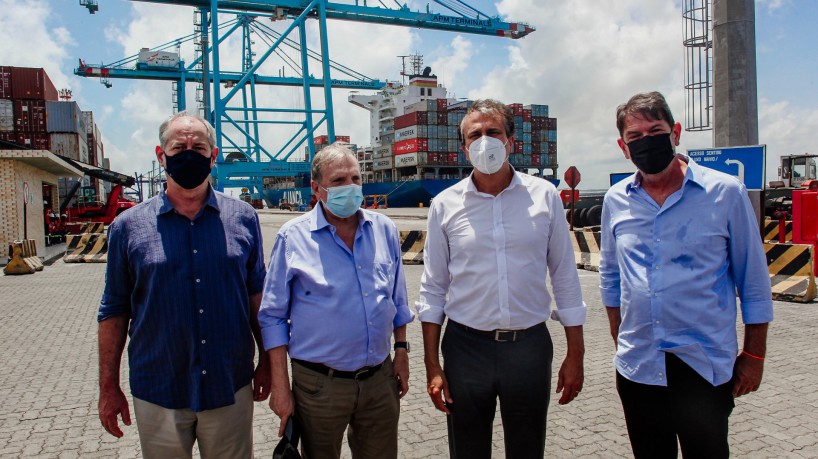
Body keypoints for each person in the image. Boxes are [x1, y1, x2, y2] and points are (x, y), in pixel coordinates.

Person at [599, 91, 774, 458]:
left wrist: (754, 357)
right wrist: (622, 338)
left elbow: (754, 283)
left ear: (675, 131)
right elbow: (611, 279)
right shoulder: (616, 200)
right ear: (623, 146)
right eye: (635, 137)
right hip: (639, 367)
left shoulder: (725, 192)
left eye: (655, 130)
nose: (646, 142)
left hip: (703, 365)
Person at [417, 99, 586, 459]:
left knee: (527, 450)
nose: (484, 140)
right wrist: (432, 365)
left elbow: (565, 277)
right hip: (465, 349)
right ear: (464, 148)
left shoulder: (545, 197)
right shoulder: (444, 205)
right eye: (474, 135)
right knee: (468, 450)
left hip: (529, 348)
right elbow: (432, 289)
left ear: (511, 140)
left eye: (492, 132)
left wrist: (577, 353)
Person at [97, 112, 270, 458]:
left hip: (228, 385)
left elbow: (257, 298)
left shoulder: (244, 218)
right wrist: (108, 386)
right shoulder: (127, 227)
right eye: (179, 147)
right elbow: (114, 310)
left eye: (199, 146)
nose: (189, 153)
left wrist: (268, 361)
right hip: (159, 389)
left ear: (213, 155)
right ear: (161, 156)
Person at [259, 143, 414, 459]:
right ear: (316, 188)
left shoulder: (384, 229)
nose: (351, 187)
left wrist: (401, 351)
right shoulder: (292, 237)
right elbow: (272, 316)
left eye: (356, 179)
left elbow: (398, 299)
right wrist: (281, 387)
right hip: (319, 386)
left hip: (379, 380)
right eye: (339, 181)